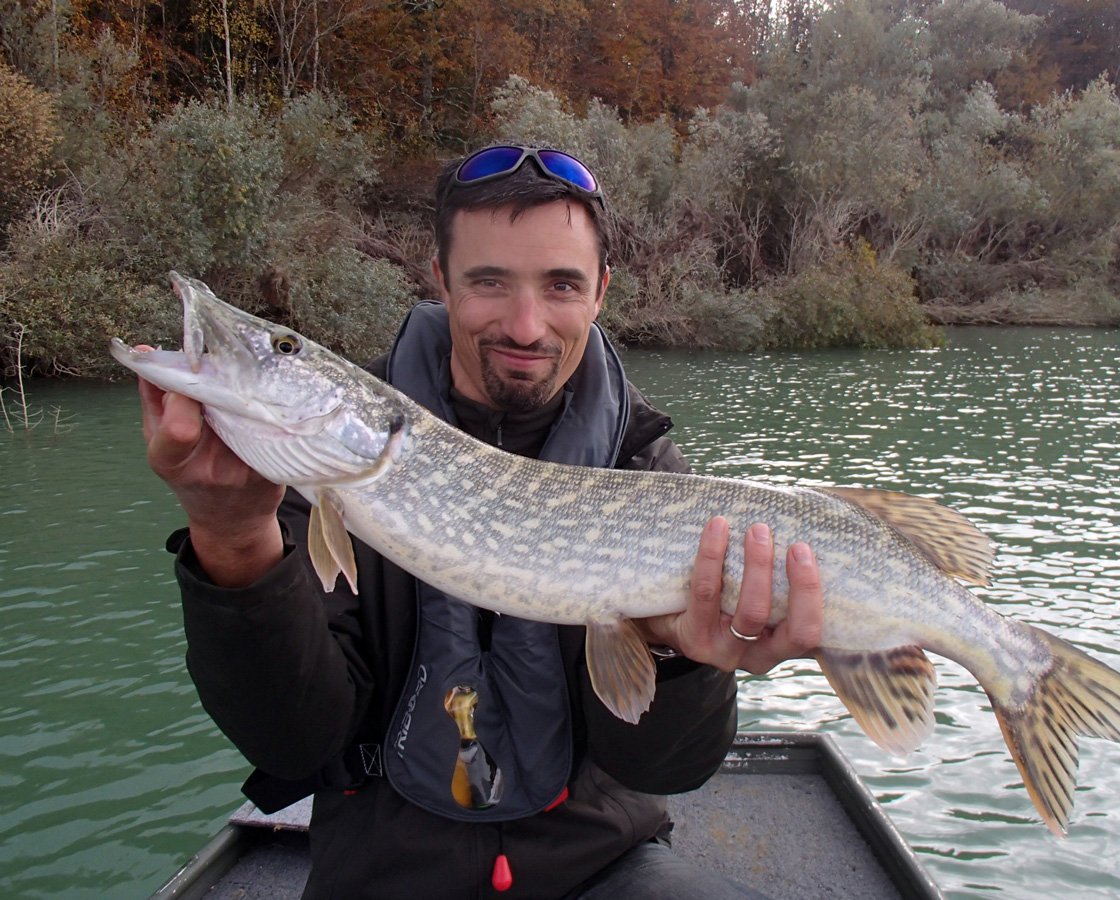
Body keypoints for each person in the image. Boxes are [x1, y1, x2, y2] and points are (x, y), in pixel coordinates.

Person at [137, 145, 824, 899]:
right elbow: (293, 742)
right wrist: (234, 541)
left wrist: (682, 660)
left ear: (600, 292)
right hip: (385, 869)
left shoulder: (647, 469)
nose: (526, 326)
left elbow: (667, 771)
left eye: (560, 285)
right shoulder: (308, 480)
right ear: (441, 279)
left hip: (600, 863)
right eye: (489, 282)